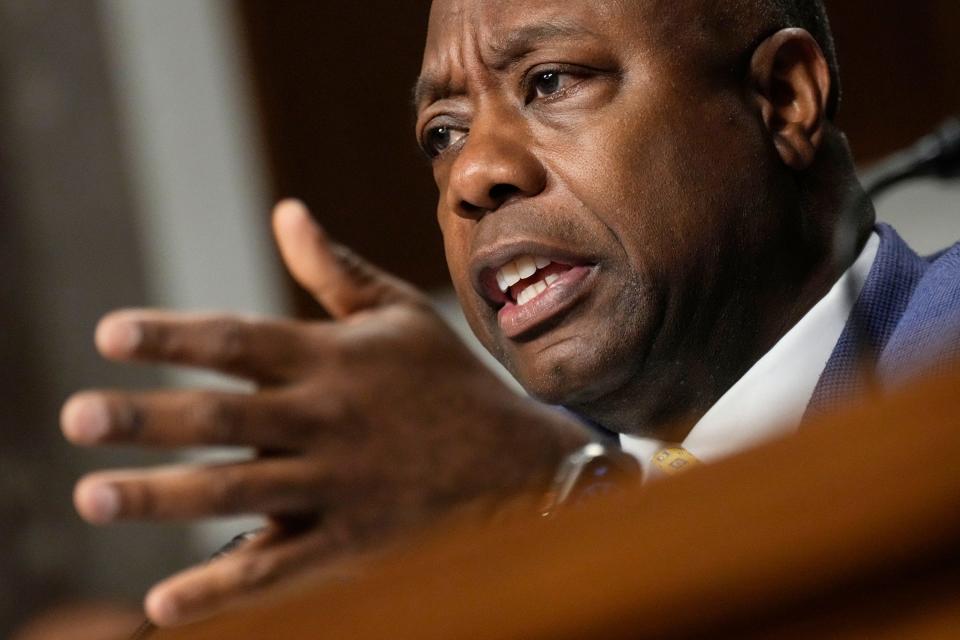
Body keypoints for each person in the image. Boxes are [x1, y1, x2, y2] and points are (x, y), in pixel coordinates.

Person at [59, 0, 960, 629]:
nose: (473, 173)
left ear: (785, 98)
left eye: (552, 80)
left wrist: (557, 500)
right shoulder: (425, 528)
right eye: (441, 135)